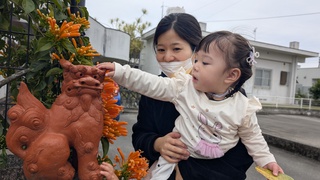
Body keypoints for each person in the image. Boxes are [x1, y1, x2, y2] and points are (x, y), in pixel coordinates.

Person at [97, 30, 285, 180]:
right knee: (155, 175)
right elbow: (150, 83)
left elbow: (254, 139)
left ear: (231, 75)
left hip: (215, 165)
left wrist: (267, 161)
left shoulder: (243, 108)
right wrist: (120, 71)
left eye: (205, 62)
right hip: (176, 156)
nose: (195, 66)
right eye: (196, 59)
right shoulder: (184, 87)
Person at [133, 13, 253, 180]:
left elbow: (244, 152)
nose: (167, 57)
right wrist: (156, 143)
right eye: (161, 49)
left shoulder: (228, 93)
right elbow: (139, 135)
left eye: (176, 49)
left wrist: (188, 171)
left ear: (196, 51)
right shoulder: (152, 91)